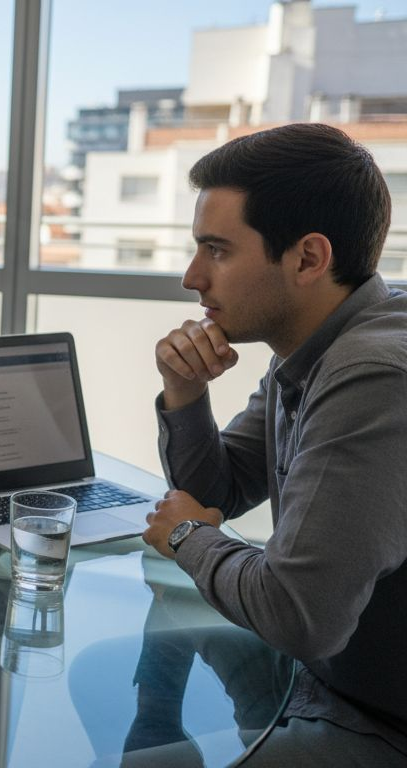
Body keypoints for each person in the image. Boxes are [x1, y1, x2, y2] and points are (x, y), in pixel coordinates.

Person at [144, 122, 407, 763]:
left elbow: (296, 614)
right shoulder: (316, 344)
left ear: (308, 259)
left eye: (217, 250)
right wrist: (184, 391)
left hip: (377, 719)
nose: (191, 277)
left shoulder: (371, 374)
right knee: (143, 658)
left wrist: (185, 538)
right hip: (325, 675)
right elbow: (218, 491)